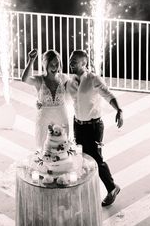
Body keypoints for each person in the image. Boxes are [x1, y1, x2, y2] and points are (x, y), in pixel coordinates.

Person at [67, 49, 123, 207]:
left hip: (93, 126)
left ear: (84, 63)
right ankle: (85, 193)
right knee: (80, 158)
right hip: (78, 124)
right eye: (71, 60)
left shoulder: (93, 79)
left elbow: (108, 95)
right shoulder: (70, 82)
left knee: (96, 159)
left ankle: (112, 188)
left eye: (74, 61)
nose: (71, 63)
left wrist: (119, 110)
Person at [21, 48, 70, 150]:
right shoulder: (39, 80)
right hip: (44, 120)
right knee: (45, 151)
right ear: (45, 64)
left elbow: (75, 90)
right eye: (51, 64)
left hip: (61, 119)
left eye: (57, 64)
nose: (55, 67)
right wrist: (31, 60)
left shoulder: (63, 78)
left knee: (61, 152)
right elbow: (25, 79)